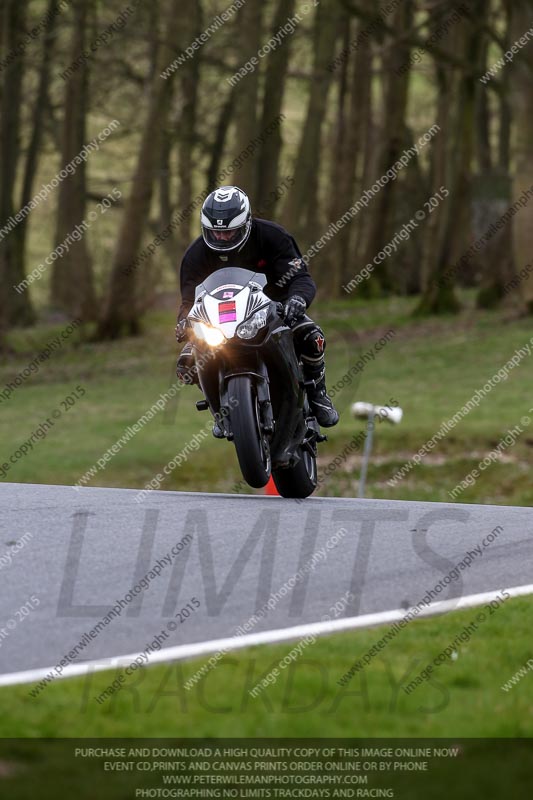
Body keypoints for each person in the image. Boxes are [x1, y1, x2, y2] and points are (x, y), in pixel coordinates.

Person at [175, 186, 339, 431]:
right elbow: (189, 301)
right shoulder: (195, 255)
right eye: (215, 232)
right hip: (218, 321)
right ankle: (218, 408)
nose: (222, 238)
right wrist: (184, 322)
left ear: (246, 223)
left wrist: (298, 300)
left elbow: (300, 278)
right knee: (187, 361)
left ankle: (318, 393)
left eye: (230, 232)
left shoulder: (273, 237)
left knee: (312, 337)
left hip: (275, 309)